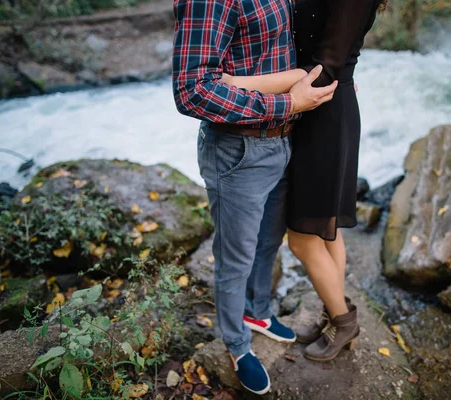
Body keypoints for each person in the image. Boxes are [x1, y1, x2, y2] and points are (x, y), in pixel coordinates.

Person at [172, 0, 337, 395]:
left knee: (267, 243)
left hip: (283, 141)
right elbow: (191, 91)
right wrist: (287, 102)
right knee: (236, 257)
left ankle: (258, 312)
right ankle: (236, 345)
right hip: (237, 150)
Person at [221, 0, 385, 362]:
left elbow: (322, 73)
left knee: (303, 239)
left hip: (324, 115)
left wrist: (238, 84)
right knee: (327, 231)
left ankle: (343, 322)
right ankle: (334, 309)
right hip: (306, 114)